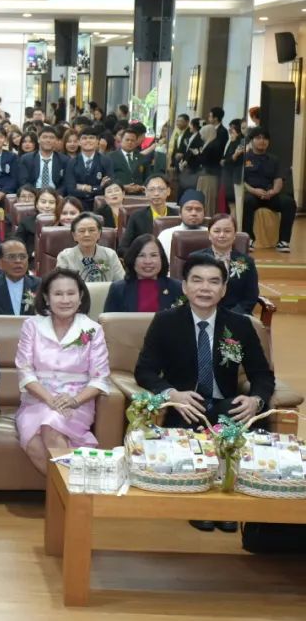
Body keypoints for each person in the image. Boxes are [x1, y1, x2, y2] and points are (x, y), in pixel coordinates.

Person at [134, 255, 275, 533]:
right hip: (187, 406)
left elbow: (262, 375)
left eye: (213, 282)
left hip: (226, 406)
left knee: (245, 423)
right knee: (191, 429)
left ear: (223, 289)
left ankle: (233, 507)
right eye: (197, 280)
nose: (205, 288)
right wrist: (172, 394)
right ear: (185, 286)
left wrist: (255, 400)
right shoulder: (165, 322)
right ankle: (201, 505)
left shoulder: (241, 325)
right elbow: (144, 371)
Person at [14, 268, 111, 475]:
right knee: (32, 442)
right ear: (46, 298)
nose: (65, 300)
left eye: (71, 293)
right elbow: (25, 372)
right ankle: (74, 489)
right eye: (58, 294)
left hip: (77, 401)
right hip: (37, 400)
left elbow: (100, 378)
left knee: (51, 425)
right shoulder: (32, 326)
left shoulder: (92, 330)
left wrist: (74, 400)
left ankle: (70, 492)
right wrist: (50, 400)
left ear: (80, 296)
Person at [242, 127, 296, 252]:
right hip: (252, 194)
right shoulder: (244, 158)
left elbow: (279, 179)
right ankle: (249, 239)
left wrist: (273, 191)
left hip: (270, 195)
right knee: (247, 202)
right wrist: (254, 191)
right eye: (258, 138)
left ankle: (283, 241)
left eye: (265, 138)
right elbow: (242, 182)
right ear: (252, 140)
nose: (262, 141)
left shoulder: (274, 159)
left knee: (289, 203)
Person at [192, 214, 258, 315]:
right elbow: (189, 291)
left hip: (235, 316)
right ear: (209, 235)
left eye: (227, 231)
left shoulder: (246, 262)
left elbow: (250, 297)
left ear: (234, 235)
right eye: (217, 231)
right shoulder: (196, 259)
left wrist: (231, 316)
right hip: (201, 313)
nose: (222, 235)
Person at [105, 235, 183, 312]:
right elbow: (108, 319)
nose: (148, 261)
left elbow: (184, 318)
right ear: (133, 259)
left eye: (153, 255)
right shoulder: (118, 289)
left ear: (161, 258)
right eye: (141, 255)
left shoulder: (178, 288)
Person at [56, 212, 125, 282]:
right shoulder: (65, 257)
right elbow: (61, 284)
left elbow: (122, 282)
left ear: (99, 234)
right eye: (82, 231)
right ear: (74, 236)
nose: (87, 234)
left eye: (92, 230)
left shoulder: (110, 255)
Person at [120, 174, 177, 253]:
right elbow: (123, 248)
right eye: (152, 189)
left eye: (160, 189)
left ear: (168, 191)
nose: (156, 193)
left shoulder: (177, 216)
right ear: (146, 192)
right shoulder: (137, 217)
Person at [63, 125, 111, 210]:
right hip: (78, 204)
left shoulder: (106, 161)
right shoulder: (71, 162)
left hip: (100, 205)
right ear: (79, 142)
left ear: (97, 141)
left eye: (91, 138)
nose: (88, 140)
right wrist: (98, 188)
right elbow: (70, 189)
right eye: (84, 138)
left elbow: (108, 187)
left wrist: (83, 187)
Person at [157, 189, 207, 259]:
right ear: (180, 213)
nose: (194, 213)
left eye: (198, 209)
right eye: (189, 209)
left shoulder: (212, 235)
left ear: (204, 213)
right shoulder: (166, 235)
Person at [18, 125, 67, 192]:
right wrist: (35, 194)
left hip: (55, 193)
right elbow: (23, 182)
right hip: (33, 193)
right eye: (45, 137)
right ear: (38, 139)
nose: (48, 140)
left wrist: (57, 195)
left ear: (56, 140)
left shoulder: (64, 160)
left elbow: (65, 184)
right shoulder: (26, 159)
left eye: (51, 138)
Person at [18, 187, 60, 258]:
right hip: (31, 259)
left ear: (57, 205)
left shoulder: (62, 222)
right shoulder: (25, 222)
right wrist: (31, 253)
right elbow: (18, 244)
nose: (47, 206)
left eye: (51, 202)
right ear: (36, 204)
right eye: (43, 202)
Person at [109, 124, 149, 194]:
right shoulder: (110, 157)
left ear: (136, 142)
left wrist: (141, 187)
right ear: (121, 140)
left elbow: (148, 178)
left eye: (132, 140)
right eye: (127, 140)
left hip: (139, 195)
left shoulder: (142, 158)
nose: (130, 142)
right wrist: (123, 187)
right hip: (119, 194)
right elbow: (109, 178)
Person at [195, 123, 222, 215]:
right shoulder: (210, 143)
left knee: (207, 198)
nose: (201, 136)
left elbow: (206, 161)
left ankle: (207, 216)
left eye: (203, 134)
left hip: (209, 176)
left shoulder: (213, 145)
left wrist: (197, 154)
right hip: (207, 175)